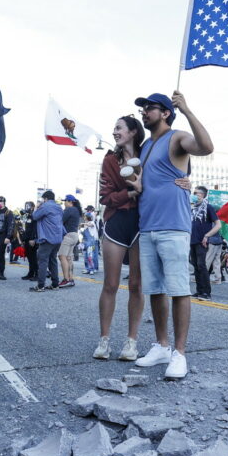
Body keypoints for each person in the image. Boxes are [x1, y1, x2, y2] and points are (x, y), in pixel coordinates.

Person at [125, 91, 213, 380]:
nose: (144, 112)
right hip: (148, 225)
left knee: (178, 289)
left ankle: (179, 353)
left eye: (150, 108)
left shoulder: (176, 137)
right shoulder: (147, 145)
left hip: (174, 225)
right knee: (156, 289)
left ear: (165, 112)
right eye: (143, 109)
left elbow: (206, 146)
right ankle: (161, 346)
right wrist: (139, 186)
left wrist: (186, 109)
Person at [94, 115, 146, 361]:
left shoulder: (147, 155)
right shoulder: (109, 160)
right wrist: (129, 192)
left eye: (119, 128)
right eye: (114, 128)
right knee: (110, 285)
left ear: (133, 131)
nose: (114, 132)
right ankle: (104, 341)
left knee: (136, 285)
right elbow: (105, 197)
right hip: (116, 223)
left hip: (142, 224)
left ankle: (131, 342)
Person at [189, 186, 221, 301]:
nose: (193, 194)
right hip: (192, 240)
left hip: (202, 241)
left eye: (195, 193)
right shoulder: (192, 208)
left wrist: (207, 236)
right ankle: (199, 291)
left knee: (202, 266)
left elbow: (218, 225)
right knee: (196, 266)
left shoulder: (208, 207)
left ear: (201, 195)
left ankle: (206, 293)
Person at [30, 191, 63, 292]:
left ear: (45, 198)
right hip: (58, 238)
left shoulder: (45, 206)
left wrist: (36, 207)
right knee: (53, 260)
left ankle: (40, 285)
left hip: (47, 238)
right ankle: (55, 284)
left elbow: (35, 216)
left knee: (43, 261)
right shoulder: (59, 207)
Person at [57, 195, 81, 288]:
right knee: (69, 258)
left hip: (68, 235)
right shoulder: (76, 210)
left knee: (61, 256)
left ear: (70, 201)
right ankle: (71, 279)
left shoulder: (69, 210)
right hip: (74, 235)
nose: (64, 203)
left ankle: (66, 279)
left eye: (65, 201)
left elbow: (60, 221)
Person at [19, 201, 39, 281]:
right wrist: (23, 239)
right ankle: (31, 273)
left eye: (28, 206)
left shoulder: (35, 216)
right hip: (27, 239)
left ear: (32, 207)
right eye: (25, 206)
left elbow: (35, 228)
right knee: (29, 257)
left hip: (32, 239)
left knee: (33, 258)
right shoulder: (27, 216)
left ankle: (37, 274)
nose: (26, 208)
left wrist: (33, 239)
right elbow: (25, 229)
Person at [81, 206, 99, 275]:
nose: (84, 217)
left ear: (87, 217)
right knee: (86, 256)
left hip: (91, 242)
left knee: (90, 255)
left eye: (85, 216)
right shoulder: (85, 224)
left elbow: (90, 224)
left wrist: (83, 224)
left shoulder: (91, 222)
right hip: (86, 242)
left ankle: (92, 269)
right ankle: (87, 269)